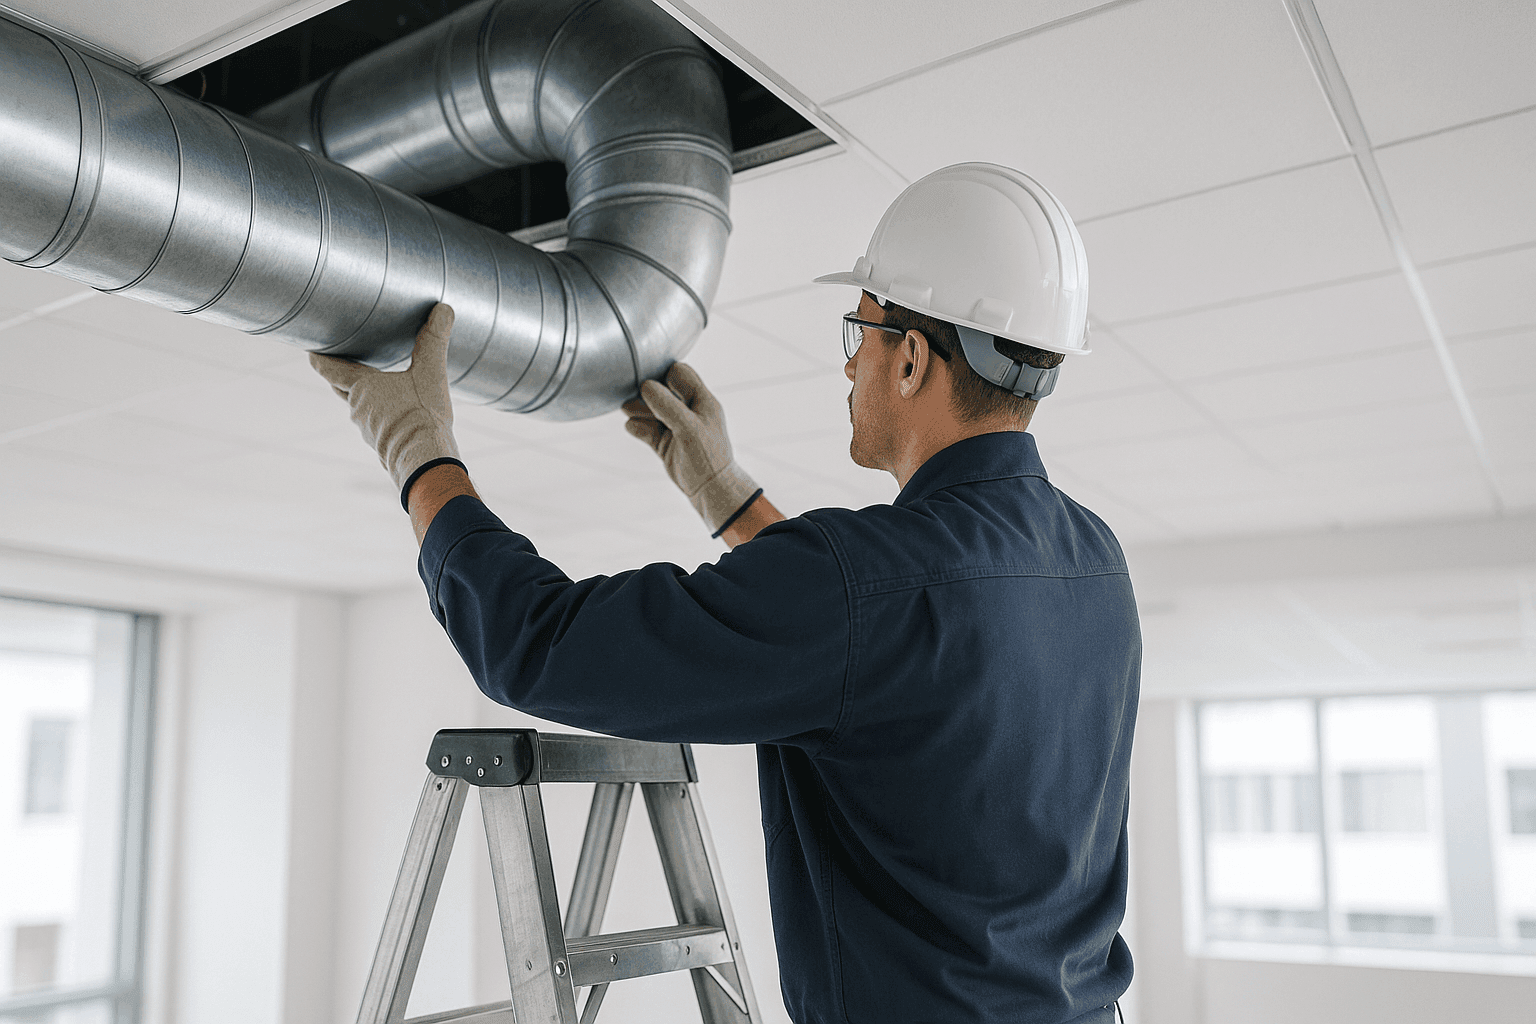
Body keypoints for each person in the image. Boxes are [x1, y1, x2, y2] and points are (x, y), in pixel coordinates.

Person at [312, 163, 1139, 1024]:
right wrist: (726, 495)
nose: (850, 363)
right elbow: (892, 638)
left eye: (862, 331)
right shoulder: (1096, 564)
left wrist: (418, 450)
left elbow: (539, 643)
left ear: (912, 360)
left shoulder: (861, 585)